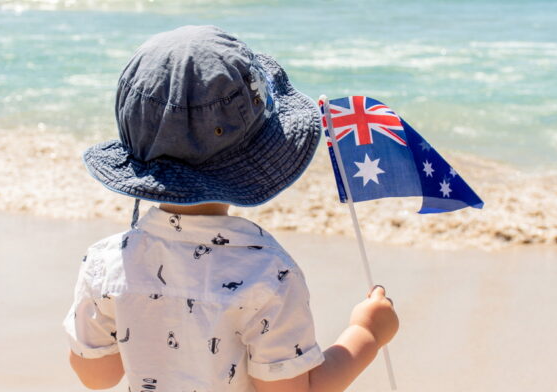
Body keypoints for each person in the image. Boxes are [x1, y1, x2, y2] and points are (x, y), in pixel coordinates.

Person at [63, 25, 398, 391]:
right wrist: (366, 335)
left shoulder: (107, 263)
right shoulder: (267, 273)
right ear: (256, 152)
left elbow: (97, 376)